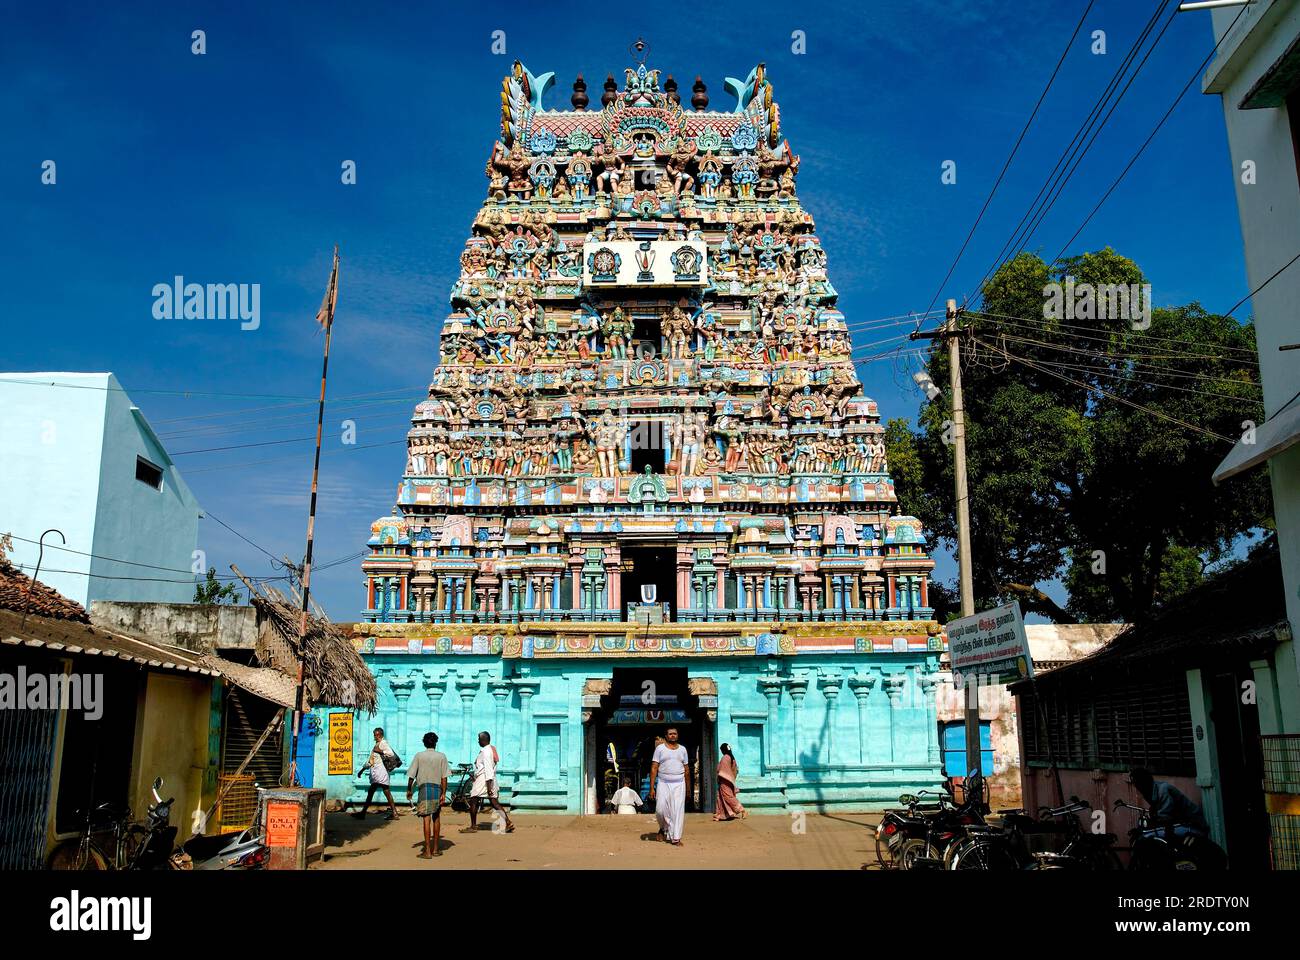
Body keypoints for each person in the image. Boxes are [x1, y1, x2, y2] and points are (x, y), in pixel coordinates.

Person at [1128, 767, 1210, 837]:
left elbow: (1165, 815)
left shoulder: (1163, 790)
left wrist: (1151, 820)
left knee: (1150, 836)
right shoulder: (1149, 792)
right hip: (1177, 822)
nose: (1136, 786)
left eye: (1136, 783)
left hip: (1192, 824)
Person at [406, 732, 450, 859]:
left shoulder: (419, 756)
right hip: (437, 789)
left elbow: (411, 776)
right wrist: (444, 793)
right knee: (436, 818)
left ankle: (427, 851)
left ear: (424, 743)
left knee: (426, 819)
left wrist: (409, 790)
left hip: (424, 789)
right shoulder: (442, 756)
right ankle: (435, 849)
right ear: (435, 743)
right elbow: (444, 778)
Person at [465, 731, 515, 833]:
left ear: (483, 740)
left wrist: (488, 787)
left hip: (484, 780)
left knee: (473, 800)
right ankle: (507, 822)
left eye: (479, 739)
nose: (478, 741)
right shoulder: (489, 750)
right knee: (494, 802)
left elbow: (488, 769)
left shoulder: (486, 752)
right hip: (487, 779)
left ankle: (473, 826)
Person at [649, 727, 691, 846]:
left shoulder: (683, 750)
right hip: (663, 782)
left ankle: (675, 838)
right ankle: (663, 828)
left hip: (679, 783)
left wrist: (688, 790)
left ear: (677, 735)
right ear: (666, 736)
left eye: (675, 734)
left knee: (677, 811)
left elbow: (687, 770)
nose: (673, 736)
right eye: (670, 734)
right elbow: (654, 767)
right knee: (660, 810)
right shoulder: (660, 749)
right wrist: (652, 788)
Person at [353, 727, 399, 820]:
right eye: (375, 734)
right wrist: (362, 770)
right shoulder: (377, 744)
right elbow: (371, 760)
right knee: (379, 791)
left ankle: (394, 813)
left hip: (380, 772)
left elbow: (390, 754)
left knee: (382, 792)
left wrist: (380, 751)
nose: (376, 736)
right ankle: (394, 813)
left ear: (381, 735)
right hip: (376, 772)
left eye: (377, 735)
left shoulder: (383, 743)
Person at [713, 742, 747, 821]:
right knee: (721, 797)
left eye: (721, 750)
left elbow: (722, 770)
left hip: (725, 781)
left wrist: (721, 776)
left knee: (728, 797)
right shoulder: (732, 758)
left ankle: (742, 810)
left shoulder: (725, 757)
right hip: (729, 781)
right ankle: (721, 815)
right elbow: (735, 770)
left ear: (723, 750)